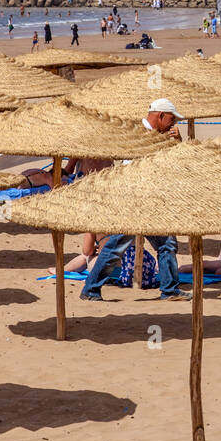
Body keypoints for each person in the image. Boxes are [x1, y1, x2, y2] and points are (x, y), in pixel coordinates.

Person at [80, 99, 186, 302]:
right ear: (160, 116)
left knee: (166, 244)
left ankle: (170, 290)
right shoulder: (140, 135)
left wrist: (177, 143)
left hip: (147, 203)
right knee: (116, 247)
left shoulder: (154, 136)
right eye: (171, 119)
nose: (173, 124)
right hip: (135, 202)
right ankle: (91, 288)